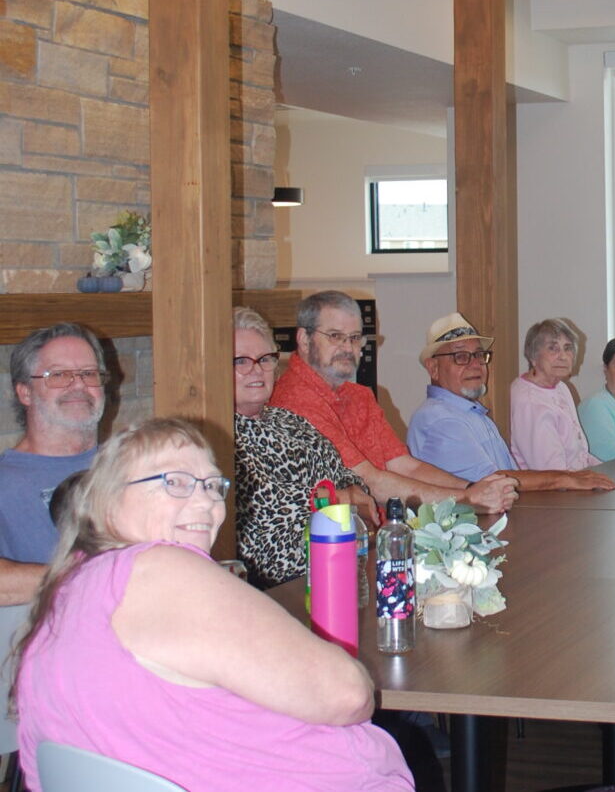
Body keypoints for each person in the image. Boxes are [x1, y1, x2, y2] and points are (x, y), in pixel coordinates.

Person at [11, 418, 413, 791]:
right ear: (107, 501)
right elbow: (348, 694)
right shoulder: (159, 569)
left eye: (211, 485)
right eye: (176, 482)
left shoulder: (69, 590)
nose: (206, 503)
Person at [269, 291, 517, 513]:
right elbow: (370, 481)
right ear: (303, 339)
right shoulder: (294, 400)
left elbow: (405, 466)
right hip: (325, 549)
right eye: (335, 336)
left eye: (355, 338)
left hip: (375, 534)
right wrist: (466, 499)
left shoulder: (359, 395)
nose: (347, 348)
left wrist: (473, 487)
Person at [231, 307, 376, 588]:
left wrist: (335, 498)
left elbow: (356, 487)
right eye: (241, 361)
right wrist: (338, 500)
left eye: (265, 359)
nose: (257, 370)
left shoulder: (290, 422)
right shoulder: (224, 437)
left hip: (340, 571)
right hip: (276, 592)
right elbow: (268, 524)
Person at [407, 312, 615, 491]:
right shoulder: (439, 419)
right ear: (433, 368)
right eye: (461, 357)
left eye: (479, 355)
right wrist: (567, 478)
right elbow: (492, 482)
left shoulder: (469, 411)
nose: (475, 365)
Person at [0, 324, 107, 606]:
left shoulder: (130, 465)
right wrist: (97, 580)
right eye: (58, 375)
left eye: (89, 373)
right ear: (25, 393)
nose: (79, 385)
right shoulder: (4, 481)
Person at [510, 319, 599, 471]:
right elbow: (552, 473)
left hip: (576, 481)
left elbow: (581, 455)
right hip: (554, 490)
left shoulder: (561, 387)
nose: (563, 356)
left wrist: (609, 473)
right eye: (553, 348)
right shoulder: (530, 401)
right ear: (533, 356)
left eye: (568, 348)